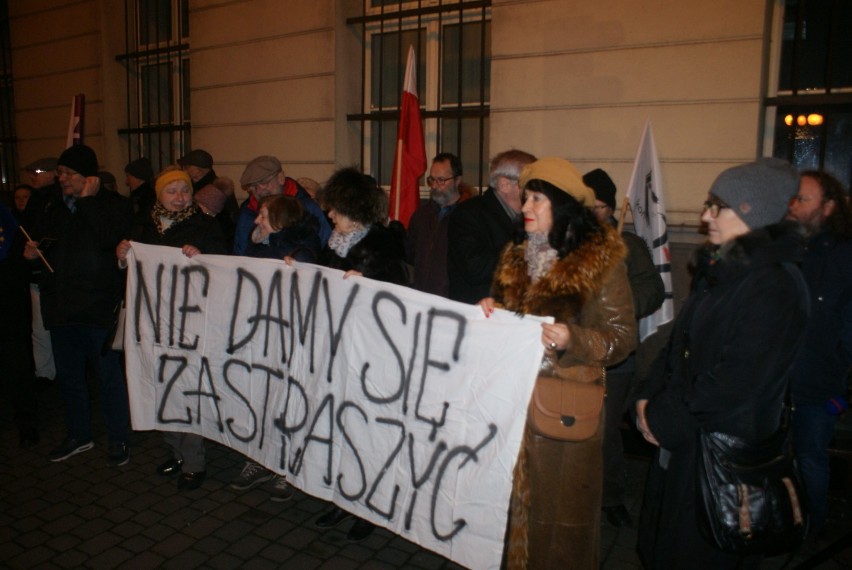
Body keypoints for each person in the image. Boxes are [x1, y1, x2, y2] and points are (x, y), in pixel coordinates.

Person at [633, 158, 808, 569]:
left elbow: (735, 383)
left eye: (717, 206)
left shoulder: (776, 285)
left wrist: (660, 417)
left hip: (721, 463)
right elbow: (679, 345)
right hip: (687, 446)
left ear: (752, 211)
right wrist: (645, 397)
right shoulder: (724, 271)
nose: (704, 216)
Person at [480, 157, 637, 569]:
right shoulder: (516, 256)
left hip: (562, 414)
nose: (524, 206)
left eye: (536, 199)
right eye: (524, 197)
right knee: (511, 517)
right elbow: (512, 324)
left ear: (562, 204)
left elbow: (623, 339)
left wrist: (574, 339)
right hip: (513, 409)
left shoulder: (599, 261)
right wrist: (491, 309)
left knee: (558, 526)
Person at [310, 167, 407, 542]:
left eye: (335, 208)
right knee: (338, 423)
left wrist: (368, 286)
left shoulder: (382, 247)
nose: (329, 215)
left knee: (366, 430)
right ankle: (342, 495)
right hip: (337, 350)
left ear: (353, 208)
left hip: (372, 357)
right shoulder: (333, 244)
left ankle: (370, 505)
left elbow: (399, 299)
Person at [116, 167, 227, 491]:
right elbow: (130, 270)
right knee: (161, 387)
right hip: (152, 324)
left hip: (189, 325)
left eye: (185, 191)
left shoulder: (205, 226)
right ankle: (176, 452)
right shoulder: (143, 225)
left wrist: (203, 257)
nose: (180, 198)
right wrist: (122, 256)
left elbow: (223, 269)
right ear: (159, 195)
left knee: (186, 389)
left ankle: (194, 461)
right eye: (172, 191)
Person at [23, 144, 133, 466]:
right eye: (60, 173)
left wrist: (87, 202)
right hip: (60, 307)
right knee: (70, 378)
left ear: (89, 178)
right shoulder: (51, 207)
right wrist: (31, 257)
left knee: (109, 378)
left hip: (99, 308)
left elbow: (108, 237)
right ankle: (78, 435)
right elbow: (42, 248)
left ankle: (118, 438)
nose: (62, 179)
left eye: (69, 173)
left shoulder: (115, 205)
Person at [583, 167, 665, 528]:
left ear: (611, 207)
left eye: (599, 206)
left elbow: (653, 290)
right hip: (578, 351)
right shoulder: (571, 242)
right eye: (586, 205)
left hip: (616, 359)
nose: (593, 212)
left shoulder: (627, 245)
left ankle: (611, 495)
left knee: (603, 430)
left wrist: (617, 301)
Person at [785, 170, 852, 542]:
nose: (793, 206)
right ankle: (777, 522)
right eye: (792, 198)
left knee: (810, 459)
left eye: (803, 199)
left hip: (819, 386)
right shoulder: (784, 247)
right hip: (776, 384)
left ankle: (811, 529)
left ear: (828, 207)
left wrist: (842, 389)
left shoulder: (845, 257)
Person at [447, 149, 536, 303]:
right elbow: (474, 268)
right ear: (505, 185)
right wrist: (525, 250)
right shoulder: (468, 214)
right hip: (482, 315)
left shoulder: (531, 215)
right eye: (530, 182)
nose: (537, 188)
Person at [233, 155, 330, 255]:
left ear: (280, 178)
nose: (259, 191)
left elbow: (325, 247)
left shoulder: (307, 207)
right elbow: (240, 254)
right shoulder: (248, 212)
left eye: (263, 183)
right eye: (253, 186)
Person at [0, 202, 39, 448]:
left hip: (7, 310)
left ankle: (26, 424)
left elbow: (20, 270)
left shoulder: (8, 222)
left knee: (17, 369)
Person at [21, 157, 61, 387]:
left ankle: (56, 368)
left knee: (53, 325)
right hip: (37, 273)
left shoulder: (56, 200)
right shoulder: (37, 200)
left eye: (37, 171)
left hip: (52, 272)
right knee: (39, 327)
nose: (33, 176)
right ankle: (45, 371)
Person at [405, 152, 462, 297]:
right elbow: (410, 255)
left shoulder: (468, 217)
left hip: (452, 301)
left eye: (442, 180)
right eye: (432, 180)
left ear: (457, 180)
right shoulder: (420, 216)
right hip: (421, 297)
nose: (435, 186)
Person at [247, 194, 321, 262]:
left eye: (263, 216)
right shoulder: (258, 244)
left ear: (280, 221)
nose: (256, 221)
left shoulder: (302, 251)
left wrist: (297, 263)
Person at [179, 148, 240, 225]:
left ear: (198, 171)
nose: (184, 170)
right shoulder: (191, 185)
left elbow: (231, 218)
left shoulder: (217, 189)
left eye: (187, 167)